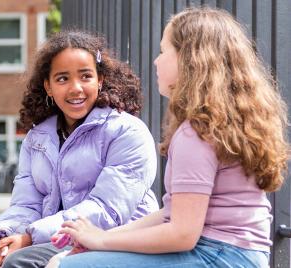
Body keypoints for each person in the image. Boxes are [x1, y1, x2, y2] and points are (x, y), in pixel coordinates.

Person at [51, 7, 289, 268]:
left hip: (217, 256)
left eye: (164, 52)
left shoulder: (196, 133)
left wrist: (102, 242)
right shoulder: (223, 125)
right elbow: (171, 213)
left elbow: (182, 234)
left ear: (191, 60)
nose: (156, 61)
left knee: (63, 265)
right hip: (242, 255)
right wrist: (100, 237)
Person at [0, 30, 159, 268]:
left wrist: (30, 237)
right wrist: (10, 235)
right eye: (63, 79)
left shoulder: (127, 131)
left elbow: (107, 210)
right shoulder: (37, 138)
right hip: (52, 238)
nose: (76, 88)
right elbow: (27, 203)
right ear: (48, 86)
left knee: (19, 263)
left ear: (100, 80)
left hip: (113, 239)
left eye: (85, 76)